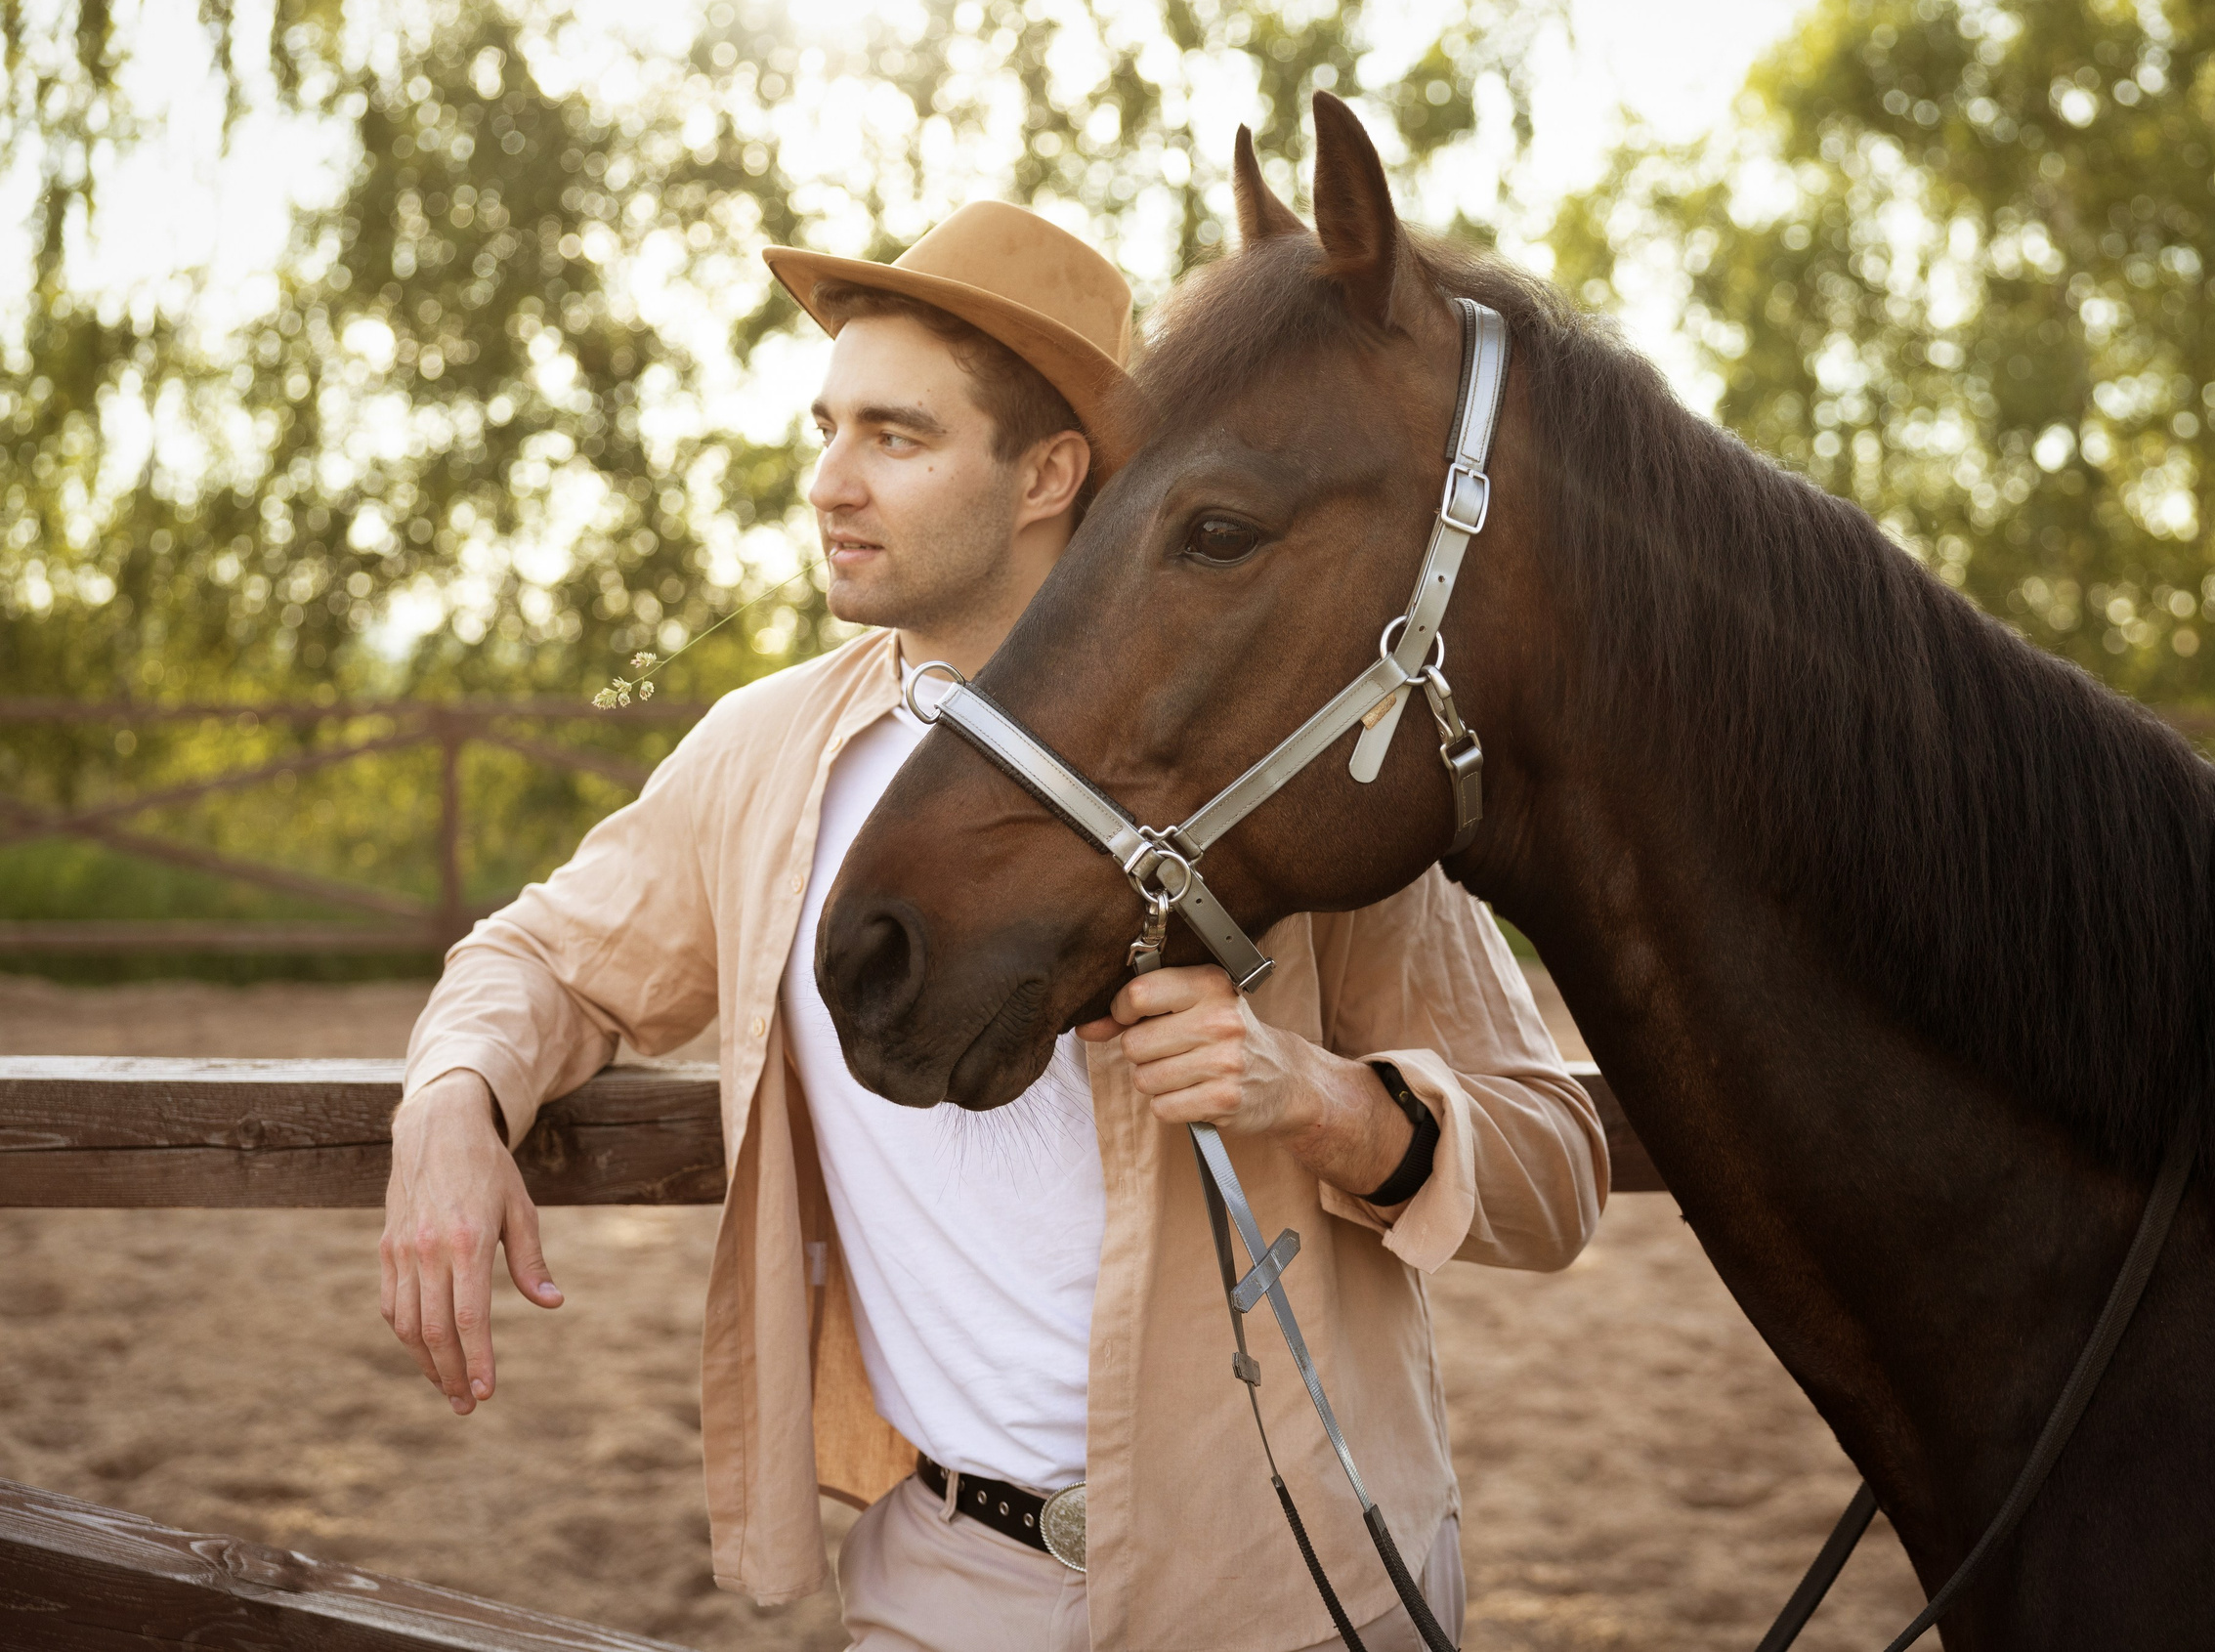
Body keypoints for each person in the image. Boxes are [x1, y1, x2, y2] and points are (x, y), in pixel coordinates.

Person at [382, 199, 1605, 1652]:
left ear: (1050, 473)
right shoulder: (767, 759)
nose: (830, 483)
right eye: (827, 428)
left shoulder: (1262, 753)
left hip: (1293, 1586)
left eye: (895, 438)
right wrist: (450, 1103)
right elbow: (540, 961)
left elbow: (1556, 1172)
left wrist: (1322, 1099)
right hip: (941, 1585)